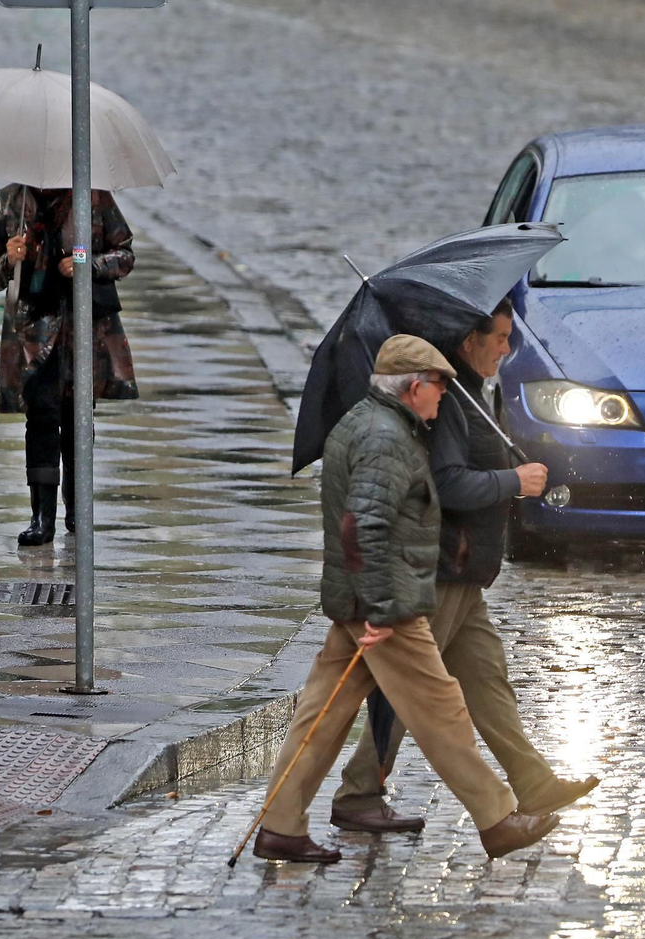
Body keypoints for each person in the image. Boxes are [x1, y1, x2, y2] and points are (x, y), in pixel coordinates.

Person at [253, 335, 560, 863]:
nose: (444, 396)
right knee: (442, 711)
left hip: (359, 601)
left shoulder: (371, 424)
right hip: (386, 607)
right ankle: (498, 818)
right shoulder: (386, 437)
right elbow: (364, 526)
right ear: (415, 387)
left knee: (321, 716)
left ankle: (280, 825)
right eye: (440, 386)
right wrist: (378, 609)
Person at [330, 300, 600, 833]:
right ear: (468, 340)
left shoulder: (478, 394)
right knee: (414, 691)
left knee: (486, 679)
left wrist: (521, 465)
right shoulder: (450, 402)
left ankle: (532, 781)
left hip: (467, 571)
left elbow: (479, 463)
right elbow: (446, 482)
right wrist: (510, 482)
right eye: (498, 338)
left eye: (507, 338)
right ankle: (360, 792)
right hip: (443, 569)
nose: (506, 348)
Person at [0, 185, 138, 546]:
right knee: (42, 418)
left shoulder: (92, 197)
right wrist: (9, 260)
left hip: (82, 329)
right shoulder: (9, 201)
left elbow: (125, 254)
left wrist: (87, 263)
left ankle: (77, 507)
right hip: (30, 333)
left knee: (78, 418)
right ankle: (41, 517)